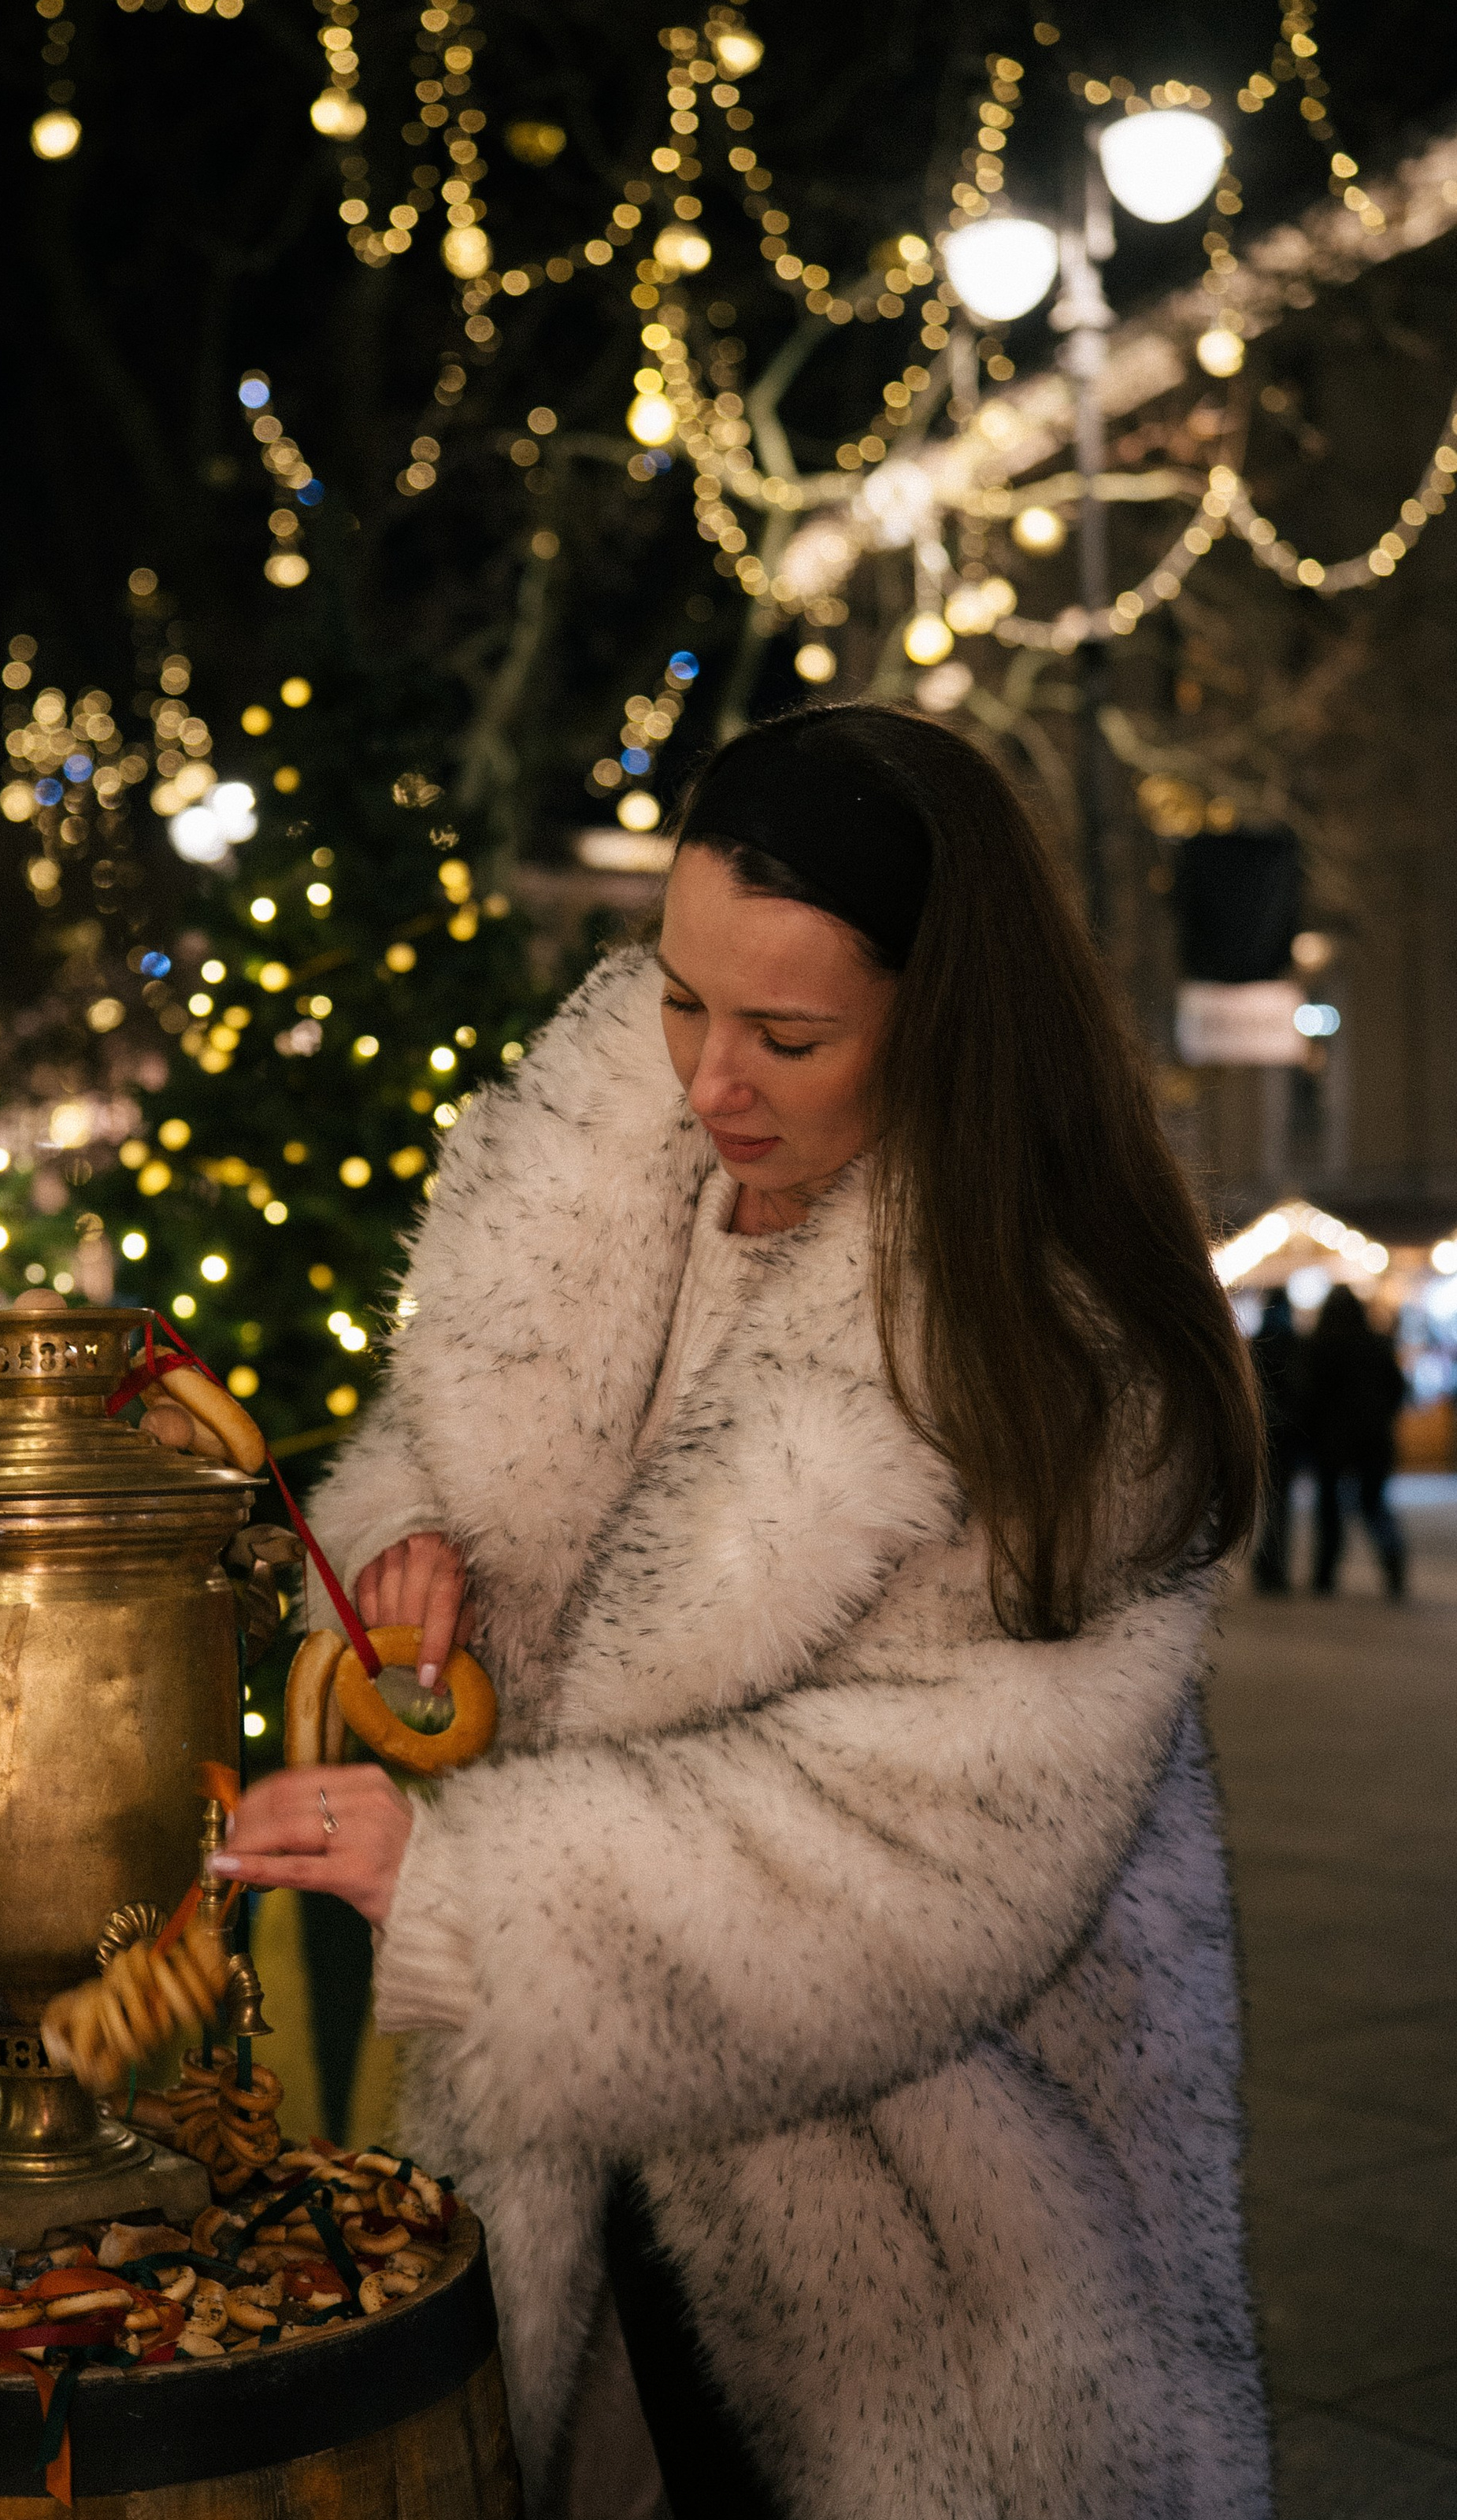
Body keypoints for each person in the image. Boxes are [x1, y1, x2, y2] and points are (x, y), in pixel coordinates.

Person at [212, 702, 1269, 2520]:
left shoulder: (1061, 1359)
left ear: (945, 1027)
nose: (706, 1079)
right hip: (576, 2178)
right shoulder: (592, 1184)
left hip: (929, 2258)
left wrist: (471, 1883)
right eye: (682, 997)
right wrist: (416, 1568)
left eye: (785, 1032)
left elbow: (933, 1849)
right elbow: (433, 1461)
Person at [1306, 1282, 1409, 1598]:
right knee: (1373, 1503)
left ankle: (1325, 1574)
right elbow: (1399, 1389)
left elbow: (1309, 1398)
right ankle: (1392, 1563)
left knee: (1329, 1508)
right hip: (1372, 1438)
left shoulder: (1319, 1346)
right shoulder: (1376, 1344)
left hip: (1332, 1441)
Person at [1249, 1284, 1306, 1592]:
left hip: (1263, 1433)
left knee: (1268, 1503)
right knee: (1280, 1504)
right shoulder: (1295, 1344)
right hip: (1288, 1437)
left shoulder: (1257, 1343)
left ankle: (1267, 1564)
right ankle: (1274, 1565)